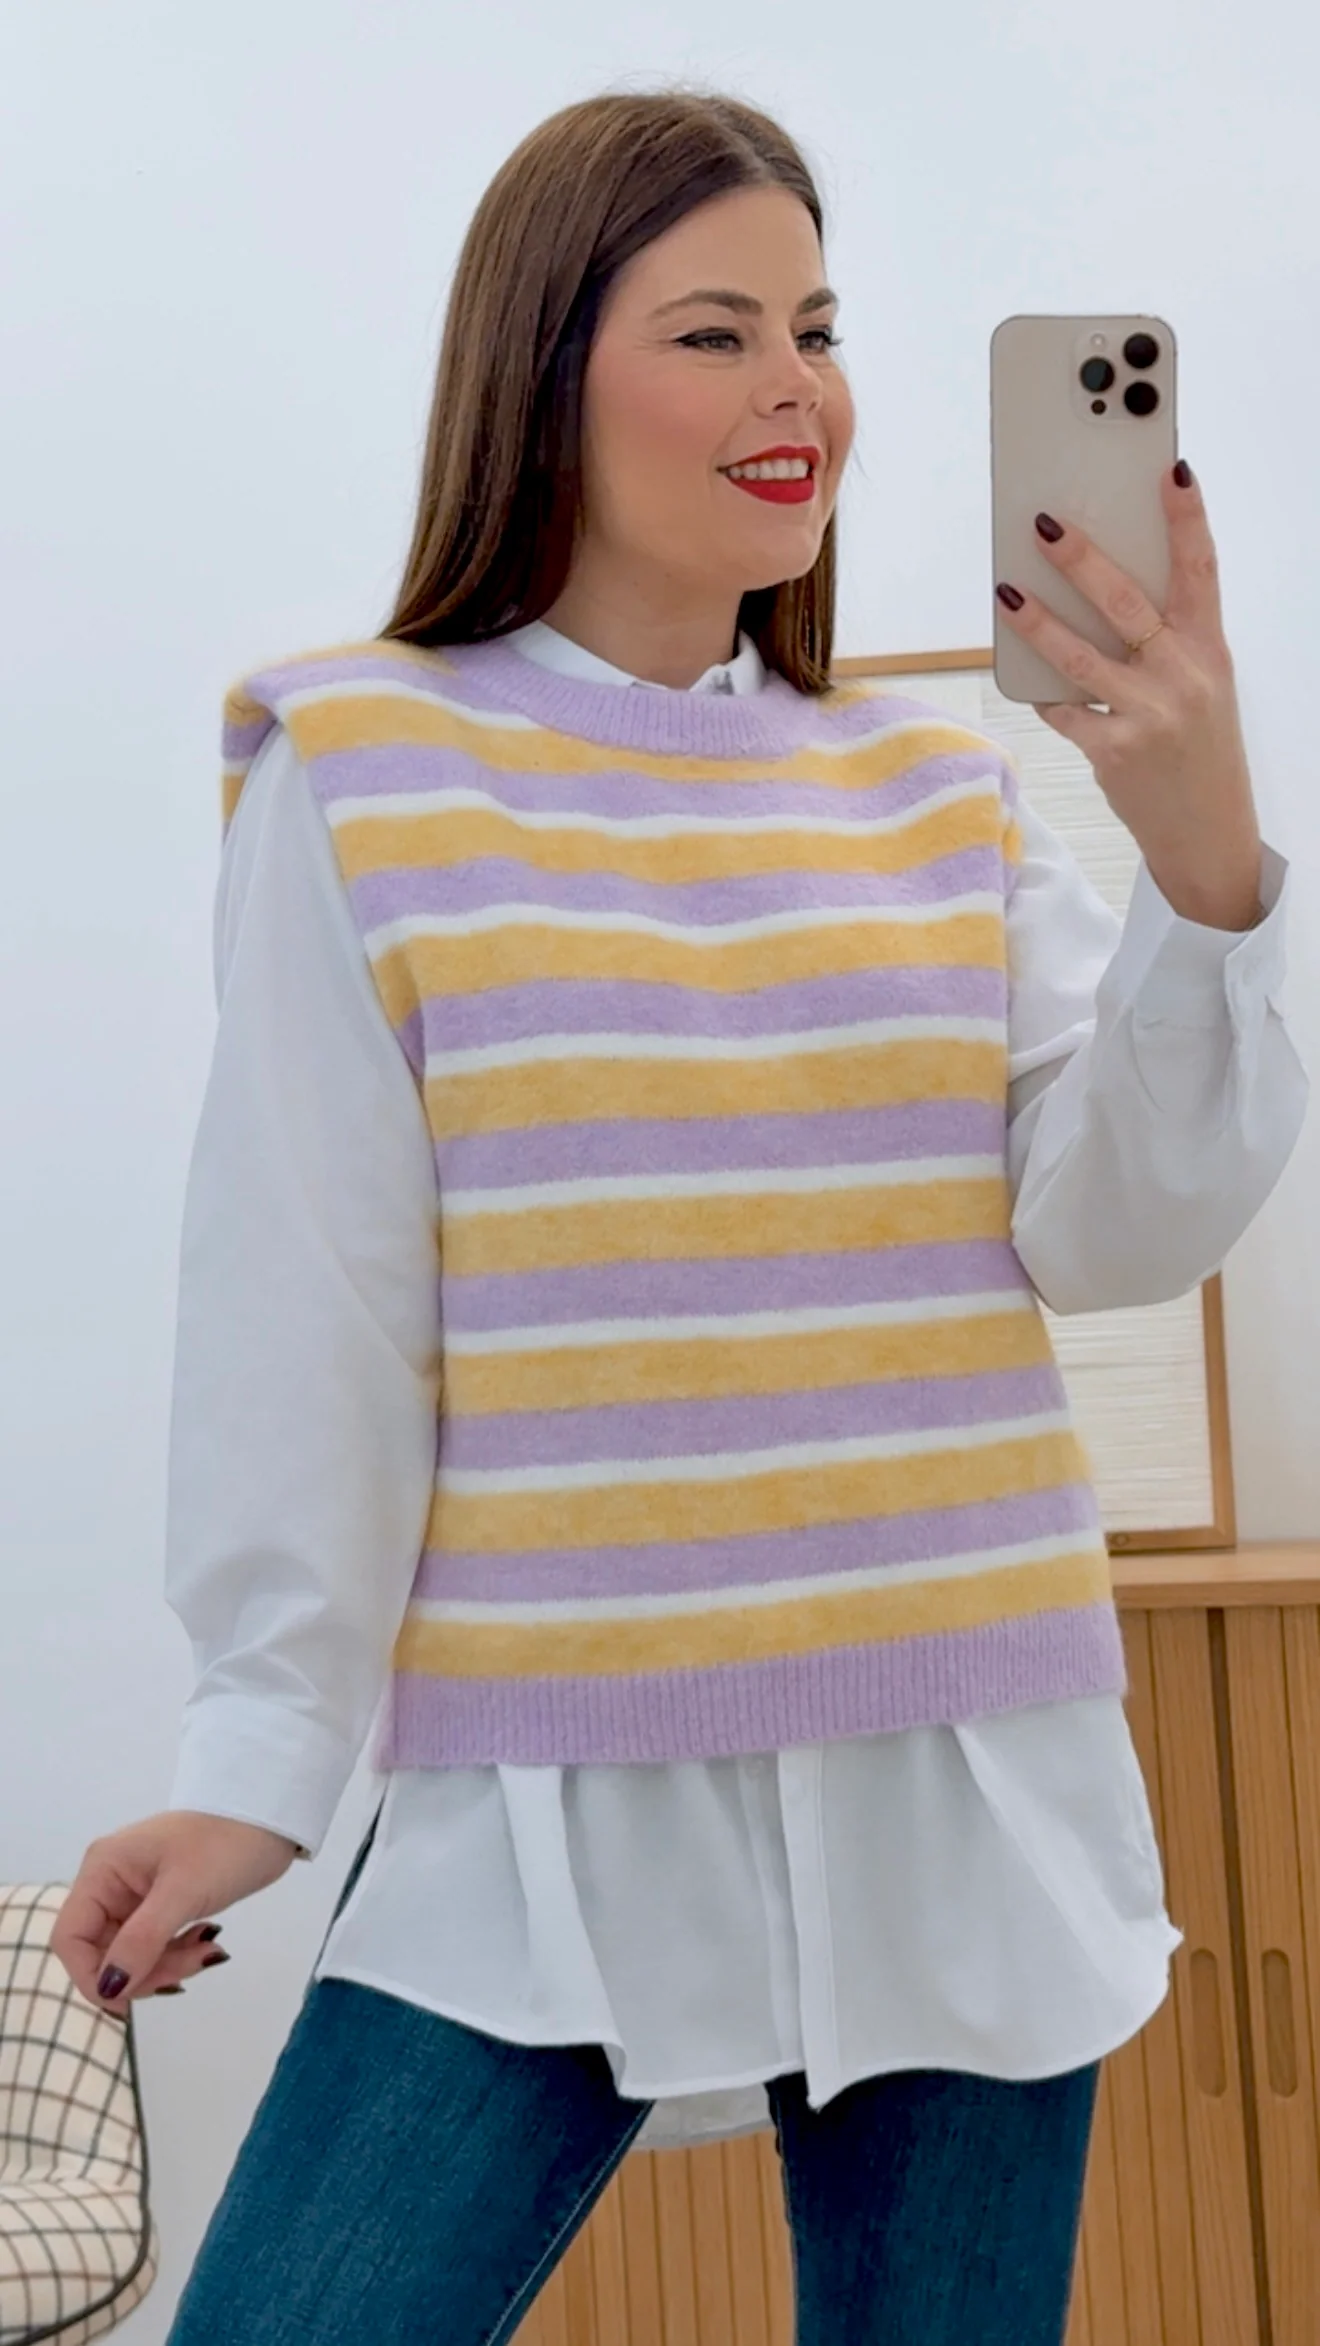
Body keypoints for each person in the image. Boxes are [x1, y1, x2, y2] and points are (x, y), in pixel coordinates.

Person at [52, 85, 1307, 2346]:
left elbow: (1112, 1234)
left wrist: (1205, 872)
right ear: (541, 373)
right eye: (714, 332)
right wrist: (257, 1765)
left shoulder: (938, 790)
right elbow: (309, 1314)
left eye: (817, 328)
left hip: (967, 1781)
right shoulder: (360, 765)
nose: (793, 388)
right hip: (550, 1795)